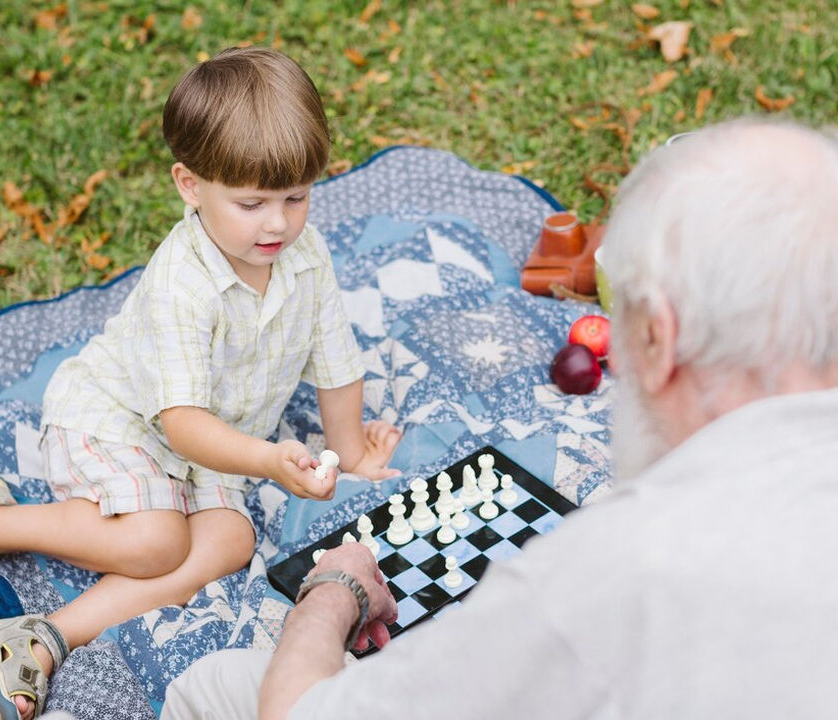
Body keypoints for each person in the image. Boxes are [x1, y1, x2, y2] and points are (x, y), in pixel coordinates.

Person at [156, 119, 838, 720]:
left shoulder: (603, 574)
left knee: (212, 685)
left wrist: (334, 591)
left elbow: (302, 713)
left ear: (657, 339)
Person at [0, 47, 401, 720]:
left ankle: (42, 638)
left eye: (295, 197)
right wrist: (270, 459)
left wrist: (351, 452)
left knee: (231, 543)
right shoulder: (182, 283)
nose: (278, 222)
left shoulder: (306, 254)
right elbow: (181, 423)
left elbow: (335, 359)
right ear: (190, 185)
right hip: (123, 419)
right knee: (158, 543)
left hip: (215, 443)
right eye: (252, 203)